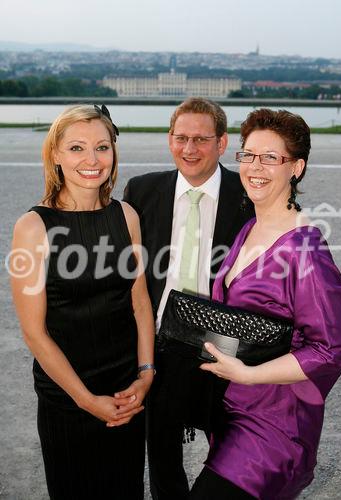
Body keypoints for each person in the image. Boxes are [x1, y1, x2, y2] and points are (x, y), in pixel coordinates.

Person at [189, 108, 341, 500]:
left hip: (274, 427)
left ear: (296, 168)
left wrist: (247, 375)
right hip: (231, 412)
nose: (254, 166)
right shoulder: (251, 226)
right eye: (248, 154)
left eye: (270, 158)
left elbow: (333, 349)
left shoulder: (305, 248)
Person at [10, 104, 155, 500]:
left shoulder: (127, 216)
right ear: (55, 154)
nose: (92, 160)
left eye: (102, 147)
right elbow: (34, 333)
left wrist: (145, 375)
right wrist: (86, 400)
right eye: (76, 148)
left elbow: (140, 303)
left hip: (126, 390)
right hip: (68, 397)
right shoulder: (33, 227)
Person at [123, 97, 254, 500]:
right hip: (161, 342)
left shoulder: (247, 193)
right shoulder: (142, 191)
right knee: (161, 453)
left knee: (233, 451)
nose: (189, 149)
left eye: (201, 139)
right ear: (169, 139)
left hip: (226, 346)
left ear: (222, 142)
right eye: (181, 137)